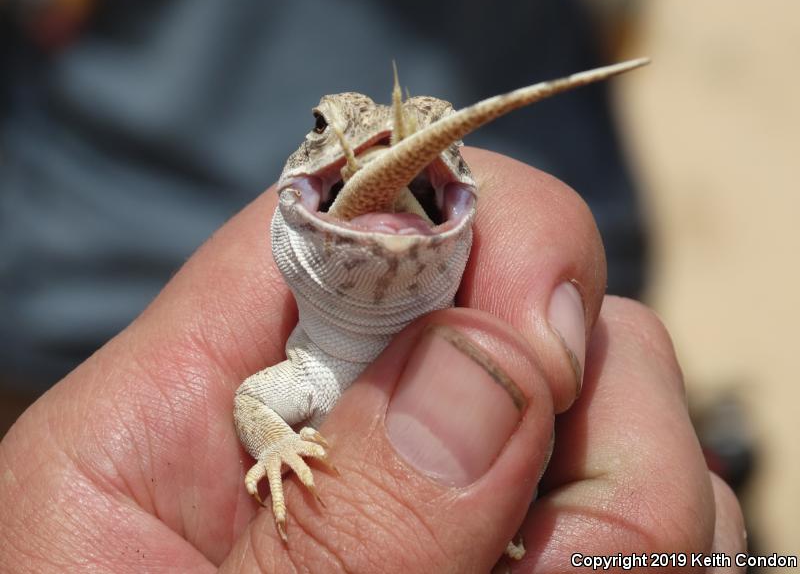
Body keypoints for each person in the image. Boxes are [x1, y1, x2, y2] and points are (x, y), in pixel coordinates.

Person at [0, 150, 745, 572]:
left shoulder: (481, 328)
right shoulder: (309, 371)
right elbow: (252, 406)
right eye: (329, 132)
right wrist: (281, 447)